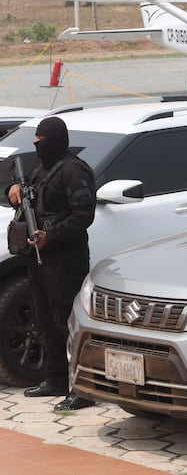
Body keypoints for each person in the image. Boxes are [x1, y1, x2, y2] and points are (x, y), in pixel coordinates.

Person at [6, 116, 97, 411]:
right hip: (39, 258)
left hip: (65, 260)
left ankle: (82, 389)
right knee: (45, 320)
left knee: (68, 323)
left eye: (41, 141)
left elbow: (83, 216)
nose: (37, 146)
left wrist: (51, 235)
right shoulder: (42, 168)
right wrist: (14, 191)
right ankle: (56, 380)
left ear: (56, 140)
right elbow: (31, 197)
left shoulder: (72, 170)